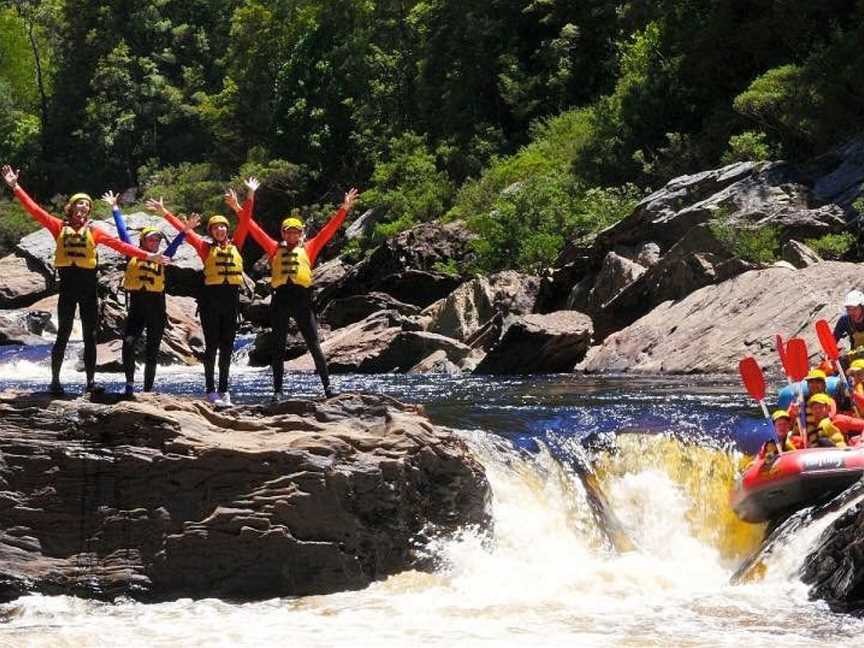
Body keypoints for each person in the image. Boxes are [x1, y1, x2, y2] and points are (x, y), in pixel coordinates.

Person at [1, 164, 168, 394]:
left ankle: (90, 383)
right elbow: (34, 210)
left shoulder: (95, 232)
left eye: (87, 205)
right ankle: (55, 381)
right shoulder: (58, 226)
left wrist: (149, 255)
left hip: (89, 287)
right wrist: (15, 187)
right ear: (71, 208)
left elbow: (122, 246)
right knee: (63, 333)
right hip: (68, 286)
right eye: (80, 203)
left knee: (90, 335)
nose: (84, 207)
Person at [232, 187, 358, 401]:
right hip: (280, 299)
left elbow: (328, 230)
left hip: (302, 300)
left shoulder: (309, 247)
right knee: (278, 346)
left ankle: (327, 388)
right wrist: (238, 208)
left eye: (295, 232)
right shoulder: (273, 248)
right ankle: (278, 392)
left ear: (300, 235)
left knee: (314, 344)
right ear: (283, 234)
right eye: (288, 231)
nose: (291, 235)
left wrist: (344, 209)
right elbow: (253, 228)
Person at [146, 180, 255, 406]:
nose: (220, 229)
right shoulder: (205, 248)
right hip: (210, 301)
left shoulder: (237, 244)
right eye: (216, 228)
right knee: (212, 346)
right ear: (211, 232)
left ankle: (224, 391)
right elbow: (182, 230)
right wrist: (164, 212)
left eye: (223, 226)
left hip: (231, 300)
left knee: (227, 346)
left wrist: (247, 197)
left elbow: (245, 221)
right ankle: (210, 390)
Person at [103, 190, 198, 395]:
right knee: (128, 344)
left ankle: (148, 389)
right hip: (137, 305)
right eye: (151, 239)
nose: (155, 242)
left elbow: (176, 243)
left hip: (157, 306)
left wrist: (186, 229)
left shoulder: (164, 257)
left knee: (153, 348)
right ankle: (129, 384)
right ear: (143, 242)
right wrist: (115, 207)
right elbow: (122, 231)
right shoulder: (132, 253)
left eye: (157, 240)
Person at [833, 289, 864, 359]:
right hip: (856, 357)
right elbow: (833, 340)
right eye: (848, 309)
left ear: (862, 307)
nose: (851, 312)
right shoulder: (844, 320)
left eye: (855, 309)